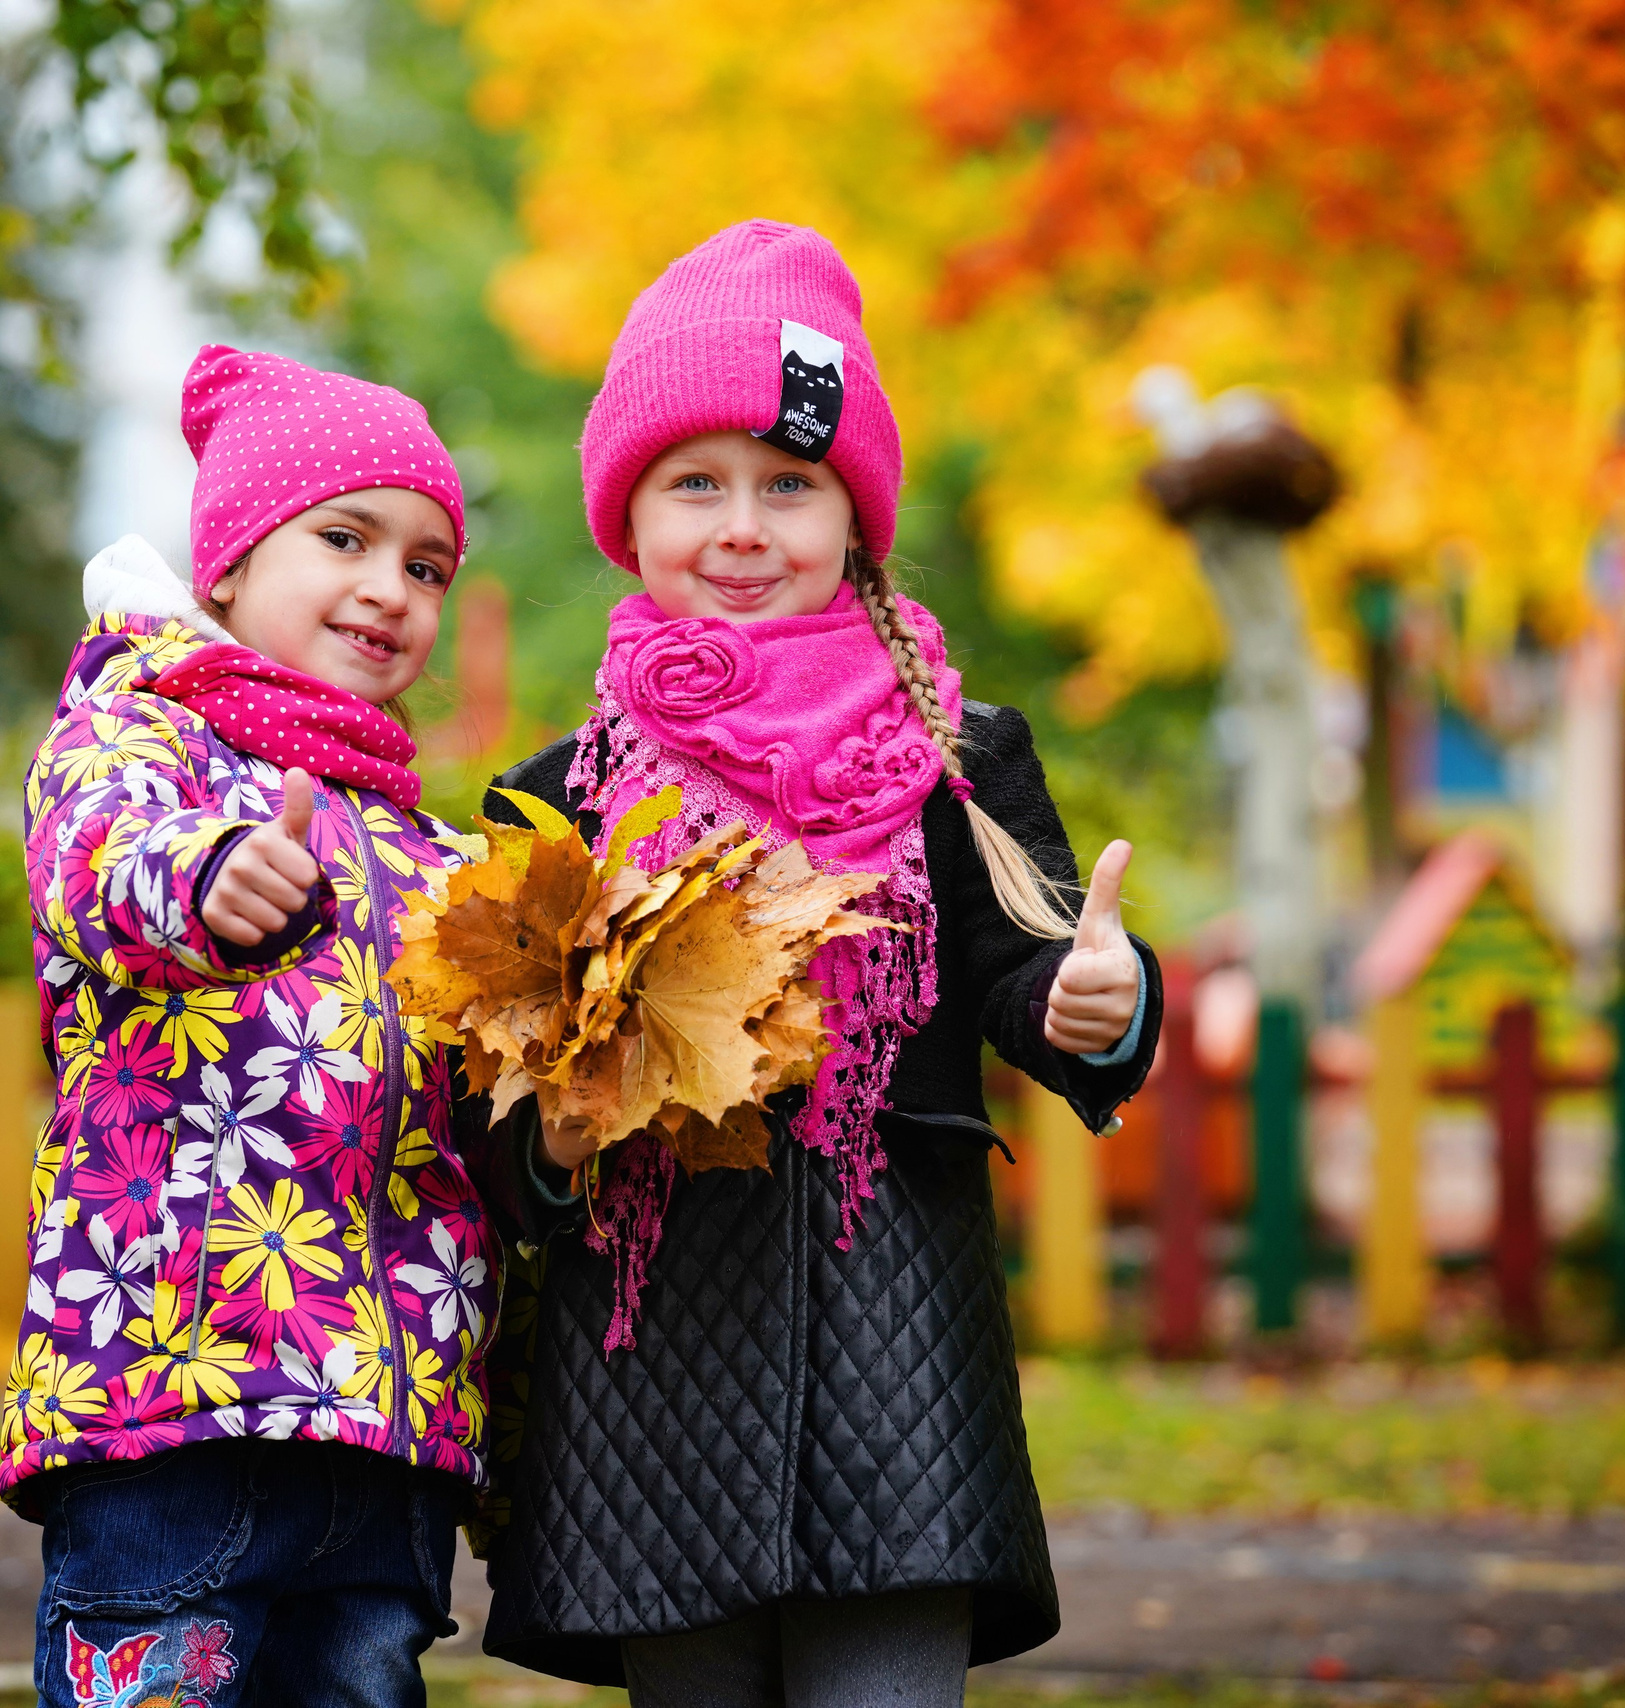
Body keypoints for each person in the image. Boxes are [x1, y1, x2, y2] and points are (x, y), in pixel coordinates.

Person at [474, 221, 1161, 1707]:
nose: (744, 526)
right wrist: (549, 1130)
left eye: (790, 483)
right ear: (628, 513)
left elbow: (1026, 974)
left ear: (855, 516)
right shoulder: (562, 798)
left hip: (892, 1338)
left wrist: (1090, 1003)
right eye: (696, 483)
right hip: (650, 1360)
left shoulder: (955, 756)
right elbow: (499, 1118)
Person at [5, 346, 520, 1708]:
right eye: (345, 539)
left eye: (426, 566)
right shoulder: (138, 736)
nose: (391, 588)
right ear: (229, 564)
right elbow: (97, 861)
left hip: (383, 1428)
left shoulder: (429, 849)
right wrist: (210, 875)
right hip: (175, 1405)